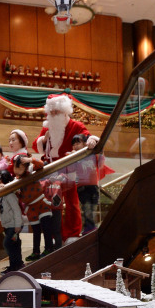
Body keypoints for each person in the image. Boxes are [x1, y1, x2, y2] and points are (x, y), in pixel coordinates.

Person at [33, 94, 99, 241]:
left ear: (64, 111)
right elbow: (36, 145)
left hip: (70, 169)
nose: (54, 114)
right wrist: (44, 139)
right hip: (51, 171)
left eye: (57, 111)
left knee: (72, 203)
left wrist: (92, 140)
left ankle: (72, 234)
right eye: (52, 112)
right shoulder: (47, 128)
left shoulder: (76, 125)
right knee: (51, 204)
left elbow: (88, 137)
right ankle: (55, 236)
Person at [68, 133, 113, 234]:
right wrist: (70, 159)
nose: (75, 146)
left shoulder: (92, 154)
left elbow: (100, 164)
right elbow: (70, 169)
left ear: (85, 143)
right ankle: (89, 228)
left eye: (78, 143)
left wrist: (101, 152)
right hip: (81, 186)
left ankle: (89, 227)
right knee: (86, 206)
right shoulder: (74, 156)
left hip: (93, 185)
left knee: (93, 206)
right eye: (73, 144)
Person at [13, 154, 54, 261]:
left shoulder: (31, 171)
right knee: (35, 231)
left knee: (46, 227)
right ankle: (36, 252)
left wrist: (31, 160)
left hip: (41, 203)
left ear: (25, 167)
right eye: (16, 167)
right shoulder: (16, 180)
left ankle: (49, 248)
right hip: (30, 208)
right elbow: (21, 197)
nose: (17, 170)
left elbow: (41, 164)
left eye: (20, 168)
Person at [0, 169, 24, 273]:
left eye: (1, 181)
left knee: (8, 243)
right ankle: (15, 265)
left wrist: (18, 225)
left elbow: (17, 210)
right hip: (8, 225)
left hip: (13, 225)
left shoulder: (10, 195)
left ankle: (17, 264)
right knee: (14, 245)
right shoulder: (3, 195)